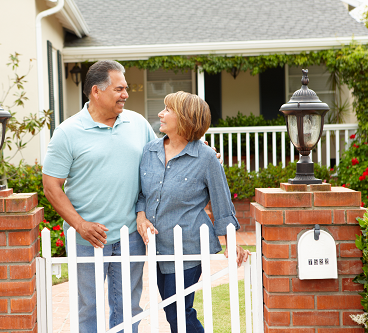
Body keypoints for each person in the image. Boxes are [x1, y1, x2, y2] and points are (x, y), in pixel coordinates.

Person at [42, 60, 157, 333]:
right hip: (87, 238)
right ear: (96, 91)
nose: (125, 95)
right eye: (119, 89)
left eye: (125, 88)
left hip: (130, 235)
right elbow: (51, 186)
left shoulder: (137, 123)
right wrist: (80, 225)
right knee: (88, 308)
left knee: (128, 308)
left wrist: (200, 151)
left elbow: (160, 159)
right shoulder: (68, 132)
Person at [136, 91, 250, 333]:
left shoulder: (206, 157)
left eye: (168, 110)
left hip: (188, 246)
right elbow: (142, 194)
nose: (160, 114)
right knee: (171, 310)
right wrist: (141, 215)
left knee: (178, 312)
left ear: (186, 119)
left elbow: (221, 203)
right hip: (157, 247)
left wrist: (231, 241)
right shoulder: (149, 151)